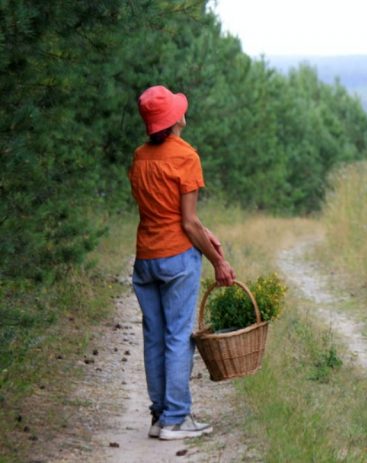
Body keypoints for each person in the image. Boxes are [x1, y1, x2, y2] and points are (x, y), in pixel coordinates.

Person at [129, 85, 236, 440]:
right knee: (177, 337)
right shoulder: (186, 157)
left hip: (146, 259)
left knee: (154, 337)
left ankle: (160, 416)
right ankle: (176, 419)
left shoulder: (140, 157)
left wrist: (207, 234)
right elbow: (187, 222)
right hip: (176, 259)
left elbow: (163, 212)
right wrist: (218, 261)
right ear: (175, 119)